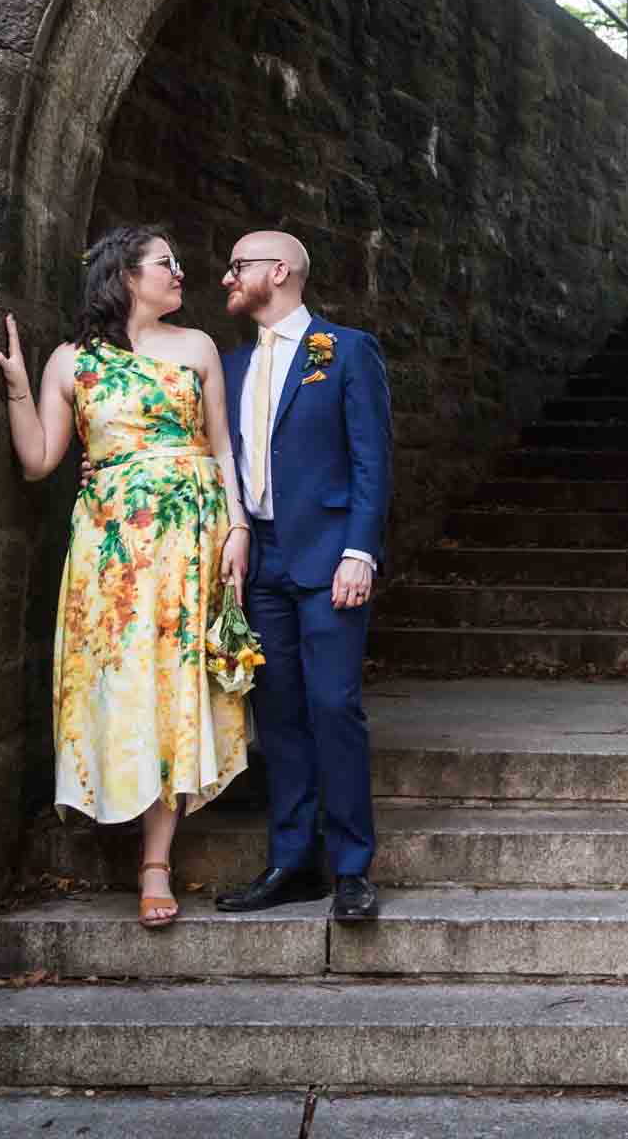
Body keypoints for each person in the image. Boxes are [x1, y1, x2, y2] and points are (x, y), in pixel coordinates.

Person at [0, 223, 250, 930]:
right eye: (166, 263)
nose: (179, 274)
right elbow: (41, 460)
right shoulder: (72, 362)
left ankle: (156, 862)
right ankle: (118, 800)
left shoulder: (196, 348)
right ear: (126, 274)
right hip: (111, 549)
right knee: (123, 680)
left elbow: (223, 448)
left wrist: (237, 529)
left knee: (176, 683)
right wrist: (19, 385)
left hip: (191, 540)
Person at [213, 229, 392, 923]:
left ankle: (351, 867)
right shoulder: (226, 368)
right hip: (258, 560)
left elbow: (371, 459)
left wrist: (359, 552)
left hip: (327, 557)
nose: (227, 278)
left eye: (238, 266)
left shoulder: (344, 351)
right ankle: (293, 862)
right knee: (278, 715)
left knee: (333, 705)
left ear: (277, 271)